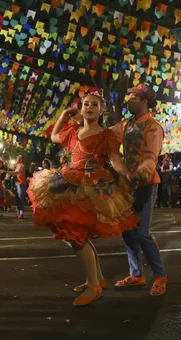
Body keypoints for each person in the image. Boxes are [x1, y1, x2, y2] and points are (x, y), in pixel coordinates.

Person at [27, 91, 140, 306]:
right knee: (73, 235)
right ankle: (96, 279)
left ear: (101, 110)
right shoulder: (74, 131)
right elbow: (53, 136)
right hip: (68, 181)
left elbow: (115, 160)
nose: (89, 108)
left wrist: (128, 175)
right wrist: (63, 114)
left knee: (76, 235)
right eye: (86, 104)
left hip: (91, 188)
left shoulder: (106, 135)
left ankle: (94, 286)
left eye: (94, 105)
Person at [111, 83, 168, 296]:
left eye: (133, 97)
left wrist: (145, 168)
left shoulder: (152, 127)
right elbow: (108, 138)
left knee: (142, 233)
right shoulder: (126, 125)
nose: (128, 100)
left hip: (146, 183)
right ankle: (136, 274)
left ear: (144, 102)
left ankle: (160, 275)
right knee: (128, 231)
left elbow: (150, 155)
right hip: (128, 184)